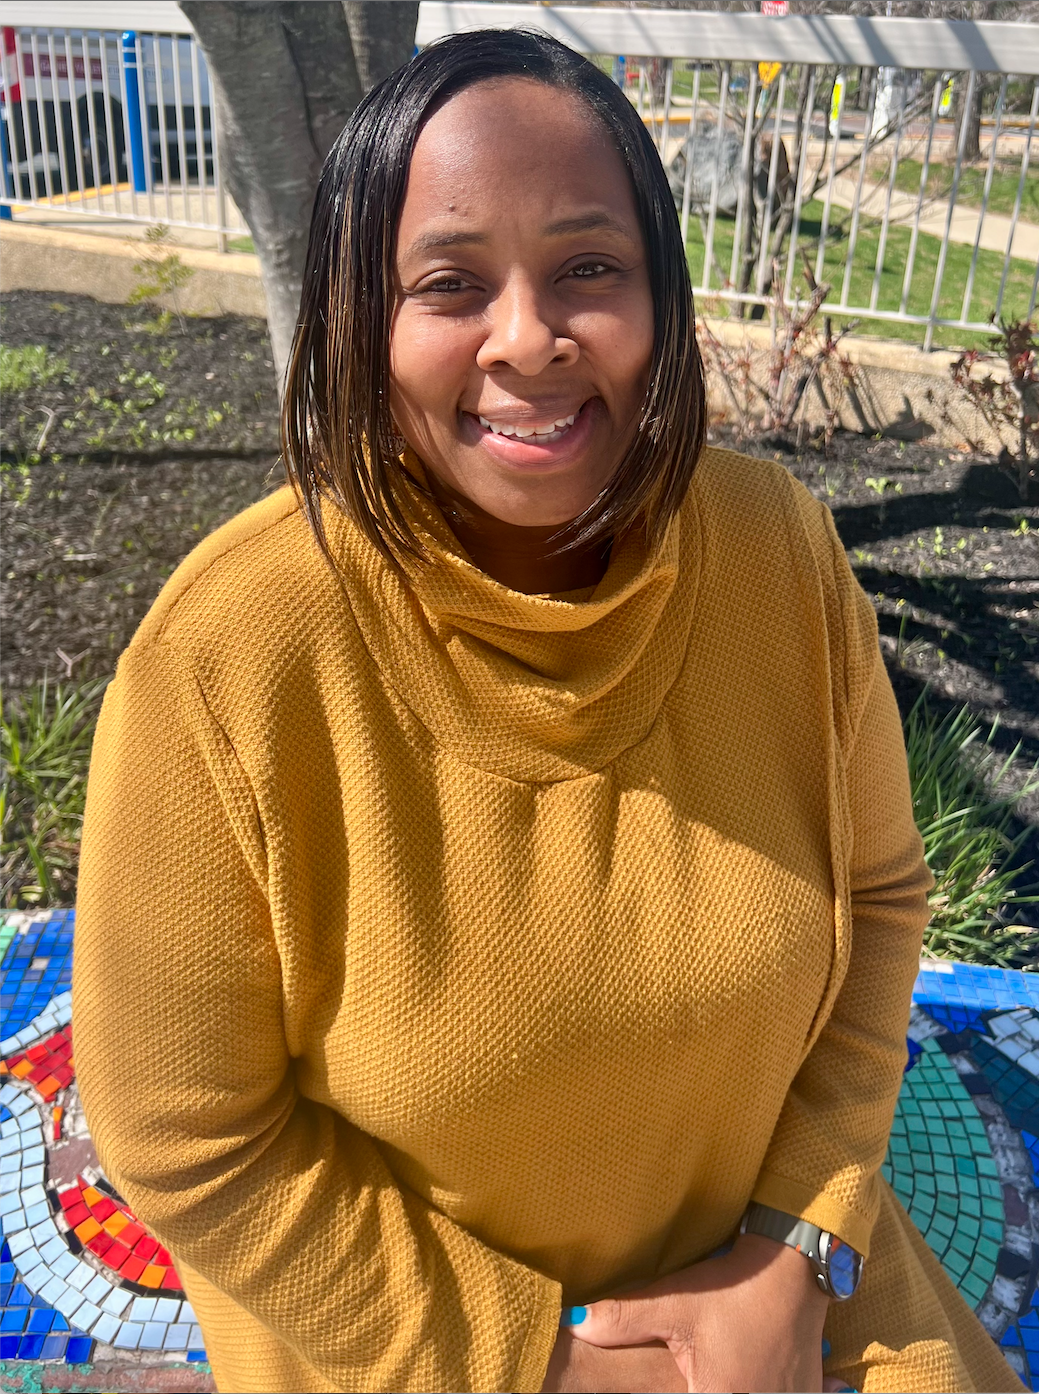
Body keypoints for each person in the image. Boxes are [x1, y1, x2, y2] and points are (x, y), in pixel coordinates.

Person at [72, 28, 1023, 1394]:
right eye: (449, 283)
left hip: (778, 1295)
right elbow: (188, 1137)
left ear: (660, 296)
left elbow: (876, 902)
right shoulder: (231, 659)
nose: (527, 337)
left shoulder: (776, 555)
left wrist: (796, 1246)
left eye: (588, 267)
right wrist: (574, 1372)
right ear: (357, 321)